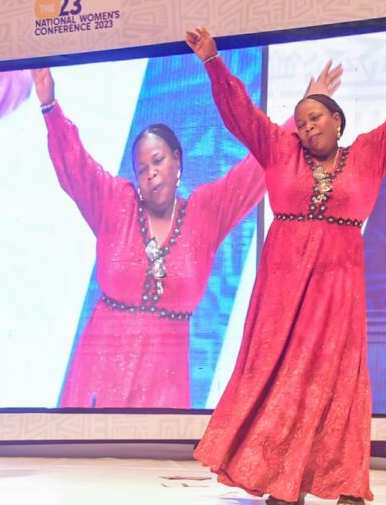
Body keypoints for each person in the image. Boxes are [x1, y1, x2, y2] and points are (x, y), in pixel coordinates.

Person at [185, 27, 386, 504]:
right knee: (281, 375)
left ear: (337, 119)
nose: (307, 128)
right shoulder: (279, 150)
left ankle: (344, 481)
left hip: (338, 289)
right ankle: (280, 480)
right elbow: (240, 112)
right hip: (283, 290)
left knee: (335, 379)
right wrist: (212, 62)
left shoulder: (370, 154)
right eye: (301, 122)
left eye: (315, 118)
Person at [30, 62, 342, 409]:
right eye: (142, 168)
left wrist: (301, 123)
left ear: (177, 161)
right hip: (99, 373)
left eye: (158, 161)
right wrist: (49, 106)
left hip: (164, 382)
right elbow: (76, 167)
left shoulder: (205, 213)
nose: (151, 173)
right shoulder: (115, 203)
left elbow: (255, 171)